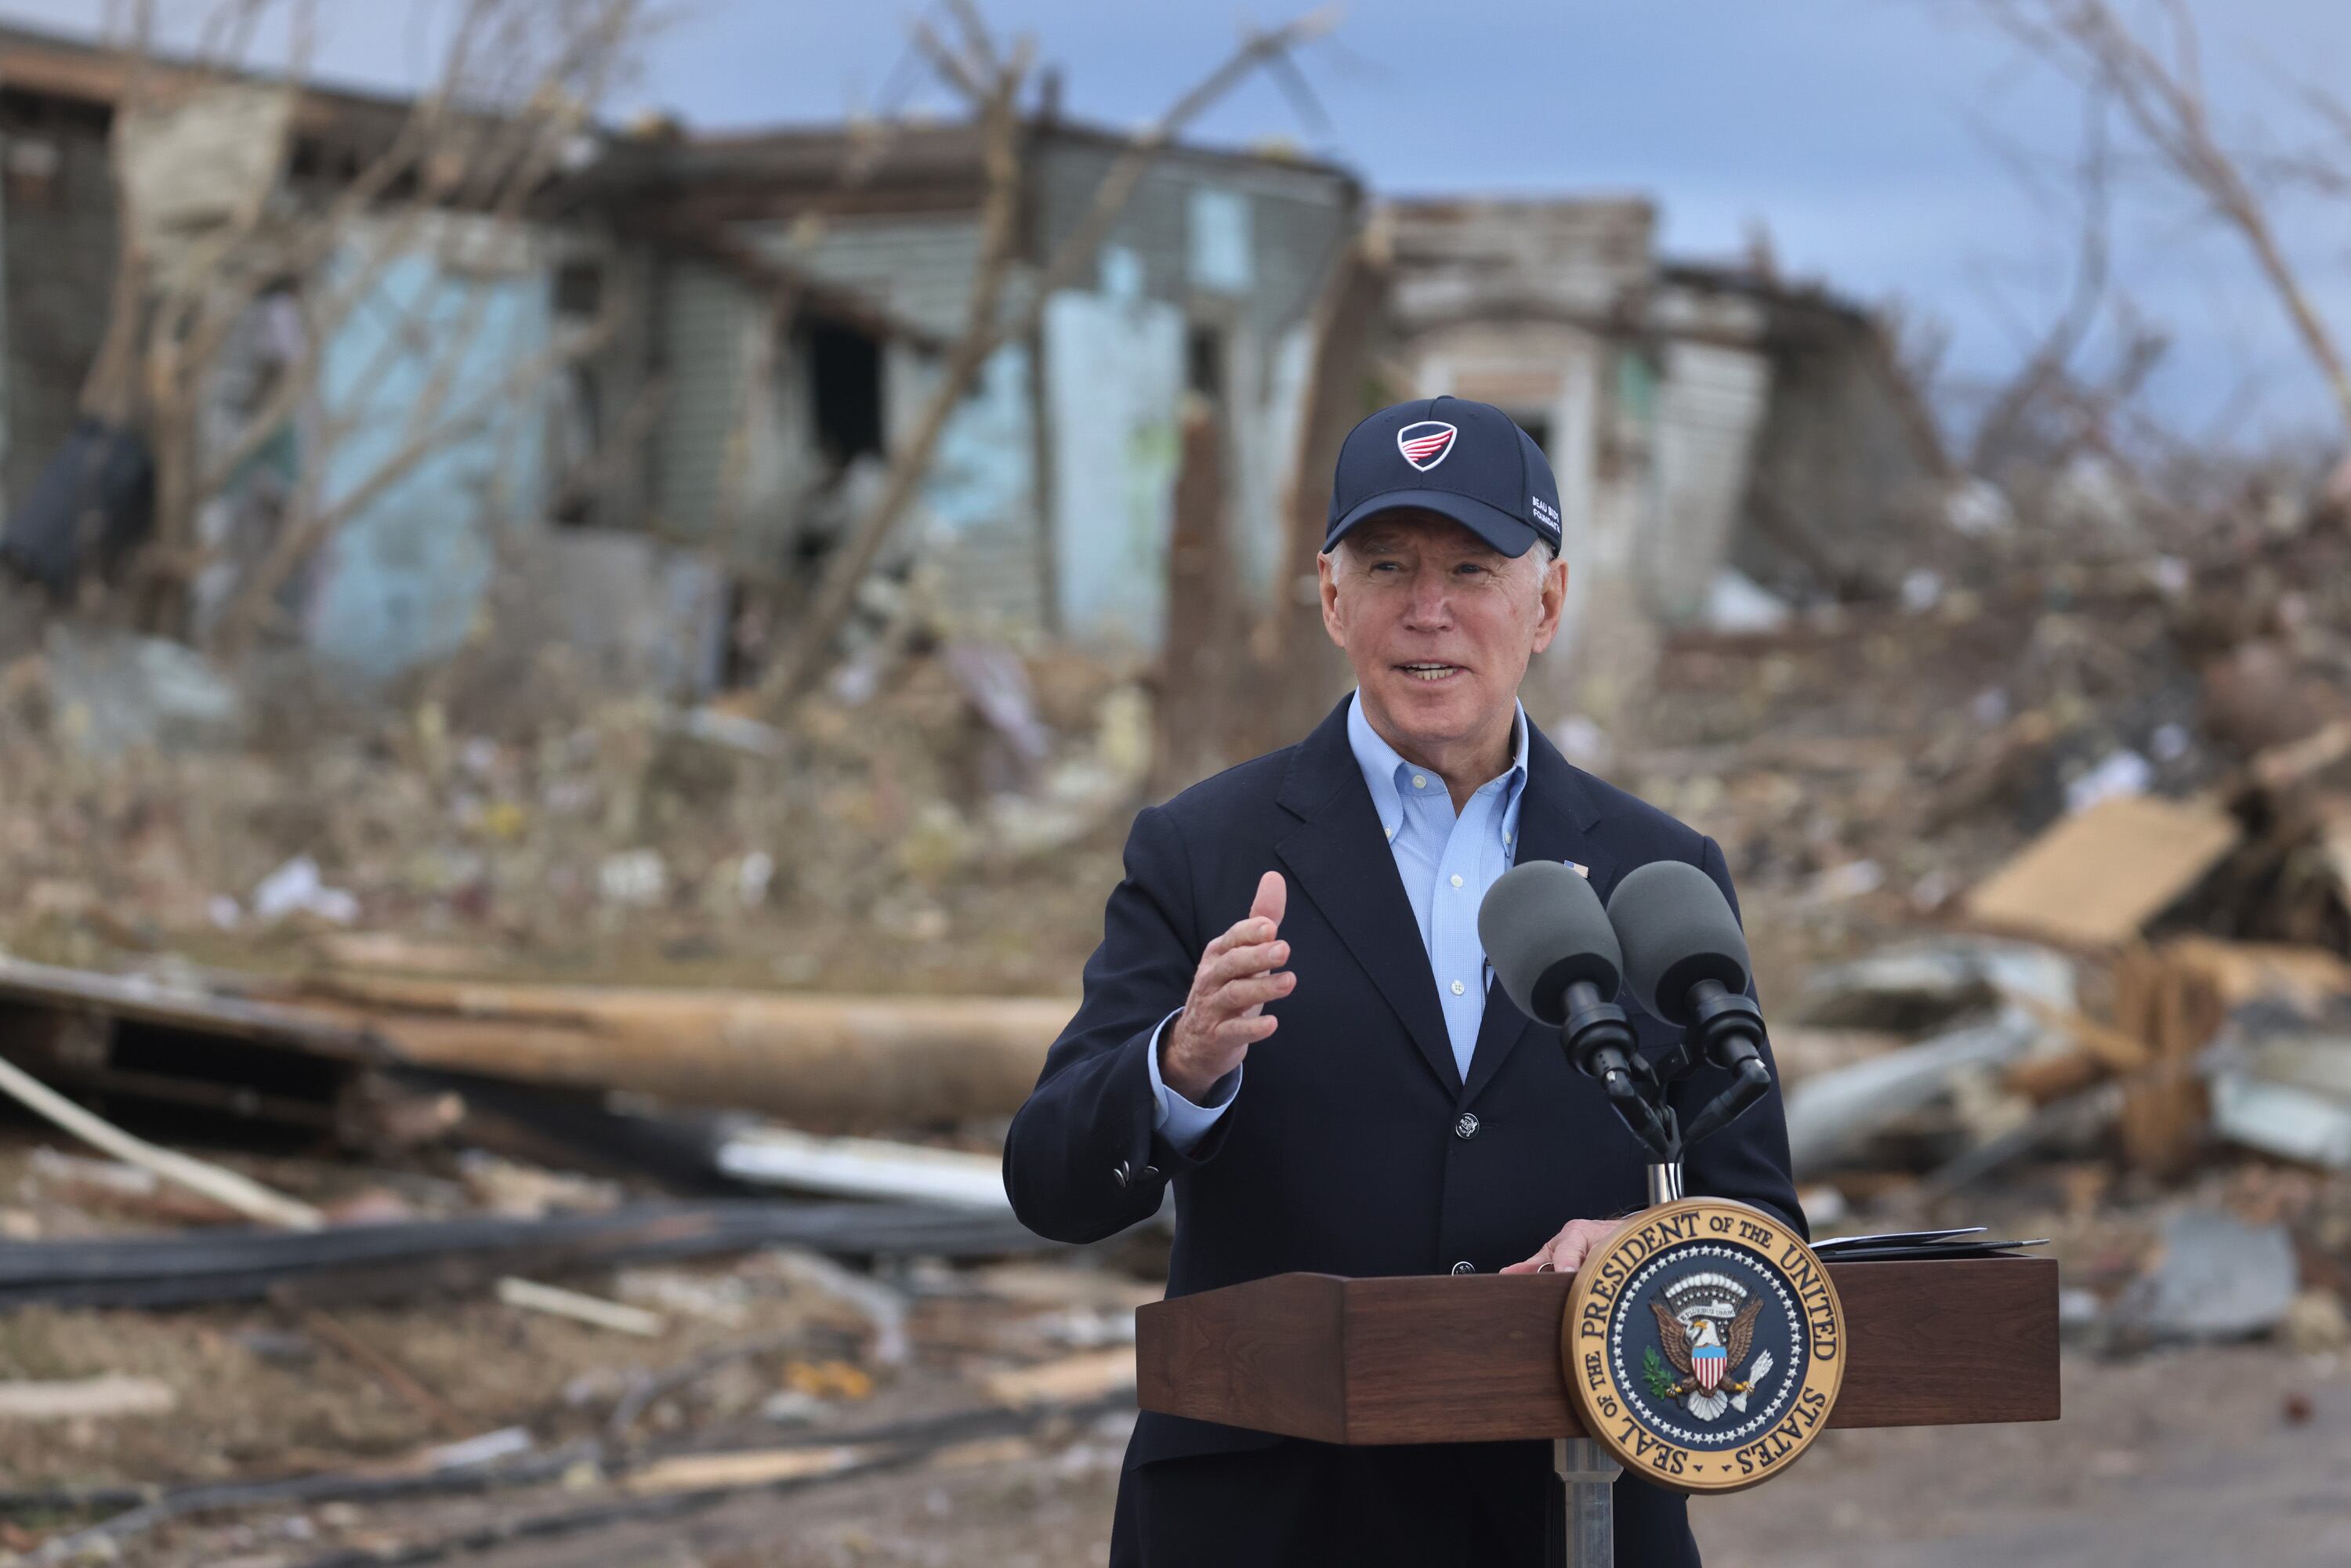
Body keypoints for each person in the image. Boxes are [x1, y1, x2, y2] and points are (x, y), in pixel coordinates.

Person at [1003, 396, 1802, 1566]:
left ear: (1549, 602)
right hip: (1271, 1519)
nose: (1429, 611)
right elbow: (1050, 1180)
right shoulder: (1203, 848)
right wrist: (1177, 1066)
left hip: (1565, 1511)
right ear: (1333, 598)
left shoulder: (1661, 873)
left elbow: (1762, 1218)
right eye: (1389, 566)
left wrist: (1645, 1247)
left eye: (1474, 568)